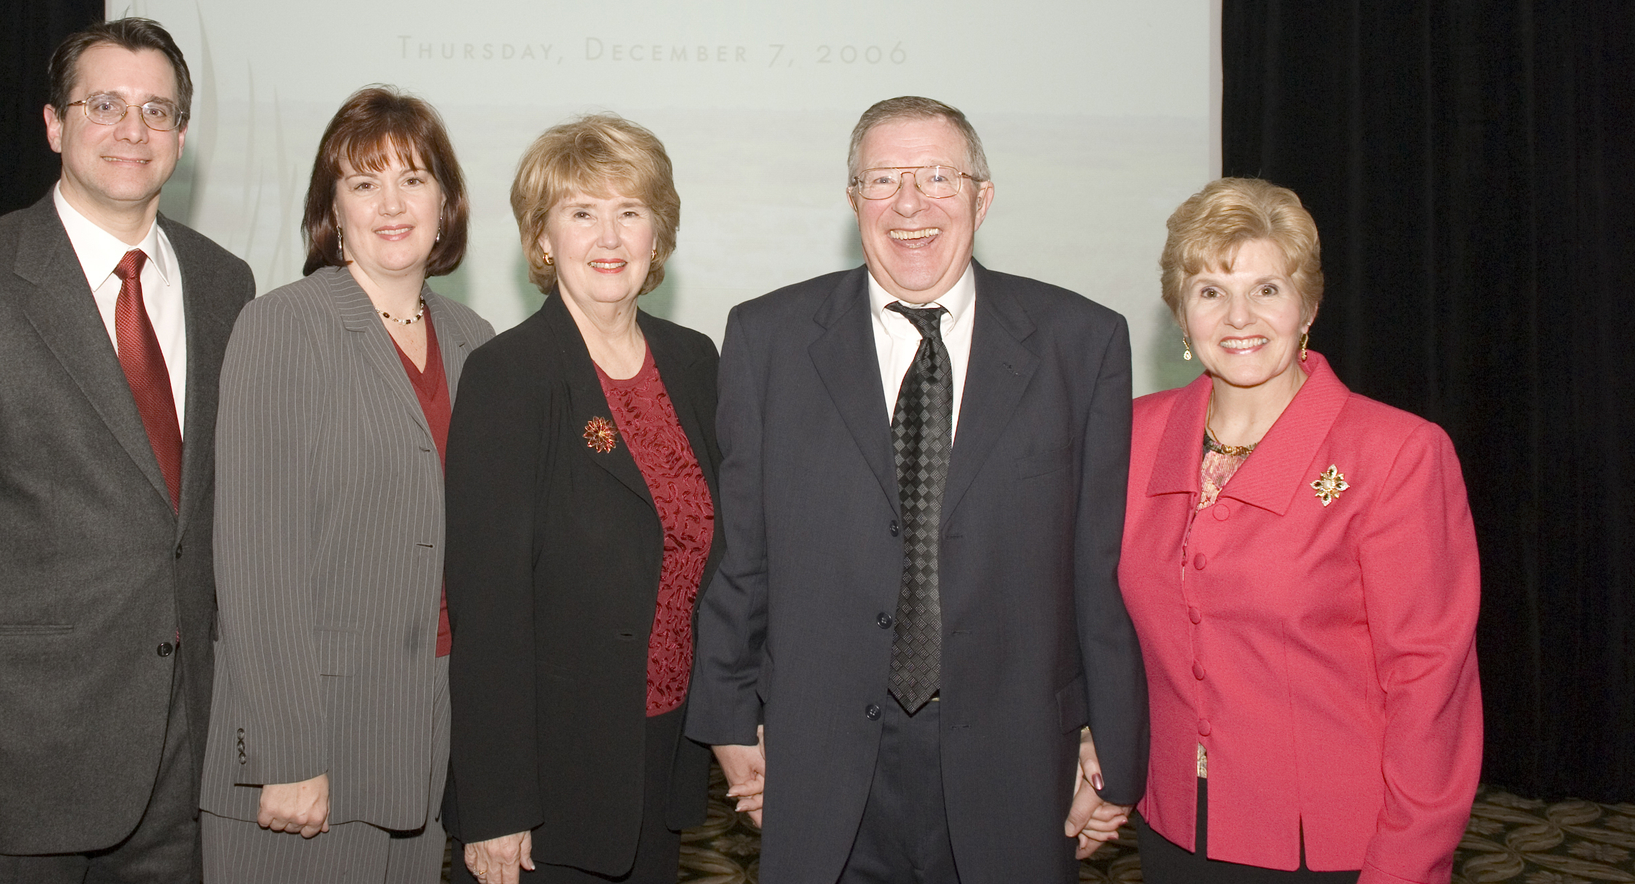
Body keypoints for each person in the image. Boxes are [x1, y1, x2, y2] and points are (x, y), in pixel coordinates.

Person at [684, 94, 1148, 884]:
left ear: (983, 195)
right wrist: (729, 718)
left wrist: (1114, 737)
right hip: (821, 751)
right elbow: (744, 549)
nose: (910, 204)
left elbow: (1097, 569)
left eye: (938, 176)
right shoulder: (769, 338)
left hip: (1016, 754)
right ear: (853, 199)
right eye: (883, 179)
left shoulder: (1083, 342)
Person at [0, 17, 257, 881]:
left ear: (183, 133)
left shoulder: (226, 284)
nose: (132, 129)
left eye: (157, 109)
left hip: (181, 760)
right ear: (54, 124)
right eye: (103, 104)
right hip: (3, 764)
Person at [1119, 178, 1481, 884]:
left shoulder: (1397, 453)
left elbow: (1429, 687)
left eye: (1267, 289)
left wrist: (1407, 865)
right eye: (1209, 291)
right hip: (1170, 828)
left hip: (1332, 849)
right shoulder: (1135, 436)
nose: (1238, 316)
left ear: (1308, 304)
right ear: (1180, 314)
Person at [198, 86, 493, 884]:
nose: (391, 204)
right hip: (310, 741)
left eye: (413, 179)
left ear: (446, 201)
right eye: (365, 183)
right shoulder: (283, 324)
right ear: (334, 208)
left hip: (427, 728)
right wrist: (287, 750)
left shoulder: (475, 341)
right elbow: (255, 557)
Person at [446, 116, 722, 884]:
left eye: (630, 211)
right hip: (550, 783)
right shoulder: (512, 376)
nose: (610, 235)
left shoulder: (694, 363)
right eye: (580, 212)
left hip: (663, 756)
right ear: (542, 238)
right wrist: (497, 804)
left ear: (657, 236)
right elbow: (487, 608)